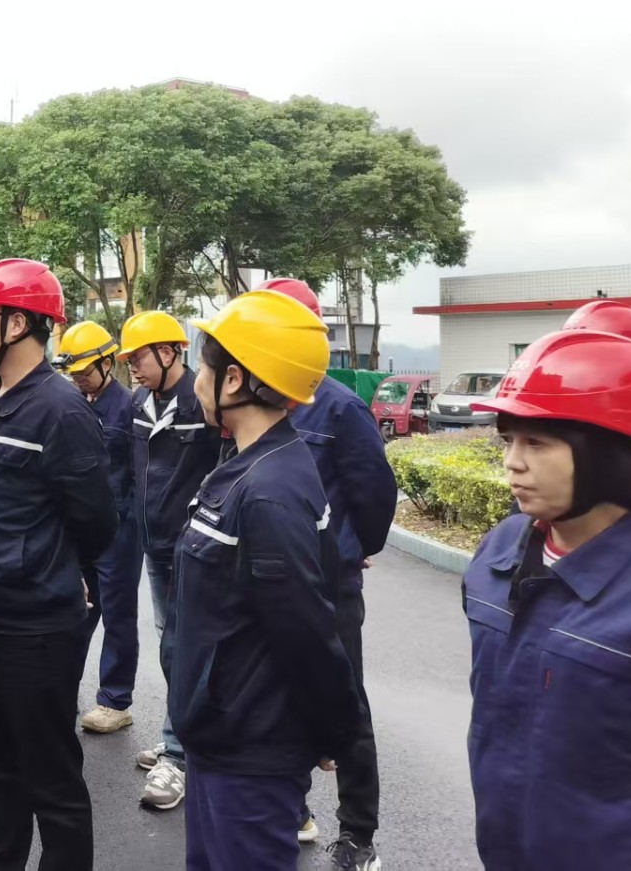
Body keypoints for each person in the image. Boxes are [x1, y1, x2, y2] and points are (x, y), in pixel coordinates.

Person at [173, 290, 362, 871]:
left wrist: (333, 729)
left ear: (234, 380)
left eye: (204, 366)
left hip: (249, 750)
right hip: (219, 736)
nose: (196, 379)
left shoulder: (269, 490)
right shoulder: (248, 466)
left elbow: (305, 629)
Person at [0, 258, 117, 870]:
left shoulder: (61, 408)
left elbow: (96, 519)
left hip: (37, 625)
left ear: (19, 323)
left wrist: (51, 568)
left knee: (50, 773)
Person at [463, 328, 631, 868]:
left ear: (609, 453)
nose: (513, 463)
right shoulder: (499, 550)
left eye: (537, 443)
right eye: (508, 441)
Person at [259, 278, 395, 865]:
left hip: (329, 585)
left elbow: (374, 493)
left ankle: (358, 833)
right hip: (267, 582)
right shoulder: (254, 403)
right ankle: (292, 809)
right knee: (273, 697)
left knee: (346, 705)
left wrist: (351, 547)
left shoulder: (340, 407)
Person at [117, 309, 222, 810]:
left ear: (168, 352)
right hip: (154, 547)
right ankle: (180, 735)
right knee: (170, 645)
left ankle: (179, 754)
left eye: (138, 357)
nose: (133, 367)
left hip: (192, 551)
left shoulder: (203, 402)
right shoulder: (139, 402)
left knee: (185, 647)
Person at [52, 321, 141, 738]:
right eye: (73, 374)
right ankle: (62, 688)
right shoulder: (74, 403)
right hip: (82, 527)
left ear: (107, 364)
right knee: (76, 609)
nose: (79, 379)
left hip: (120, 529)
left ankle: (114, 701)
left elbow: (139, 473)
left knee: (118, 616)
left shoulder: (129, 408)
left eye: (85, 372)